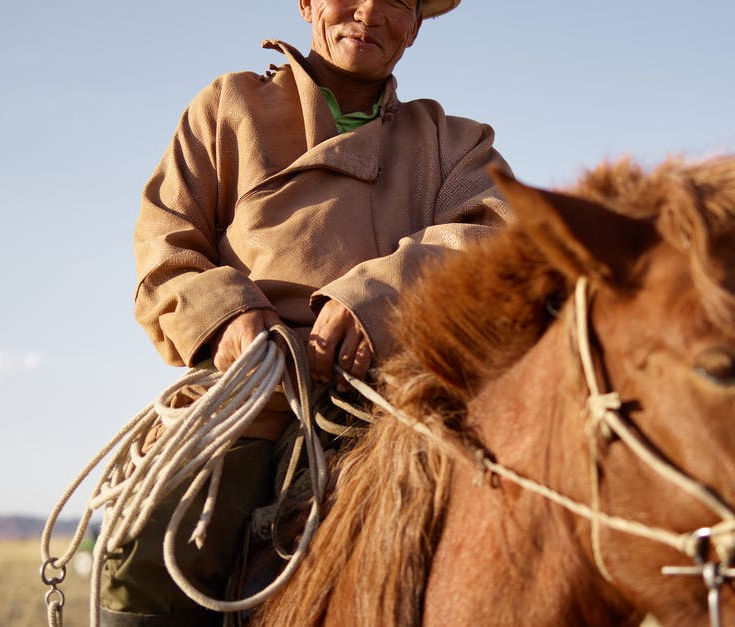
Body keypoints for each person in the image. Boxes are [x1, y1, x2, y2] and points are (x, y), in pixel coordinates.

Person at [103, 0, 512, 624]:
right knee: (152, 558)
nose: (369, 11)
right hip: (253, 392)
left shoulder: (456, 143)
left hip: (399, 396)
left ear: (416, 24)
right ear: (307, 5)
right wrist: (230, 313)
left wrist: (377, 301)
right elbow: (165, 244)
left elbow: (495, 240)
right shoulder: (228, 107)